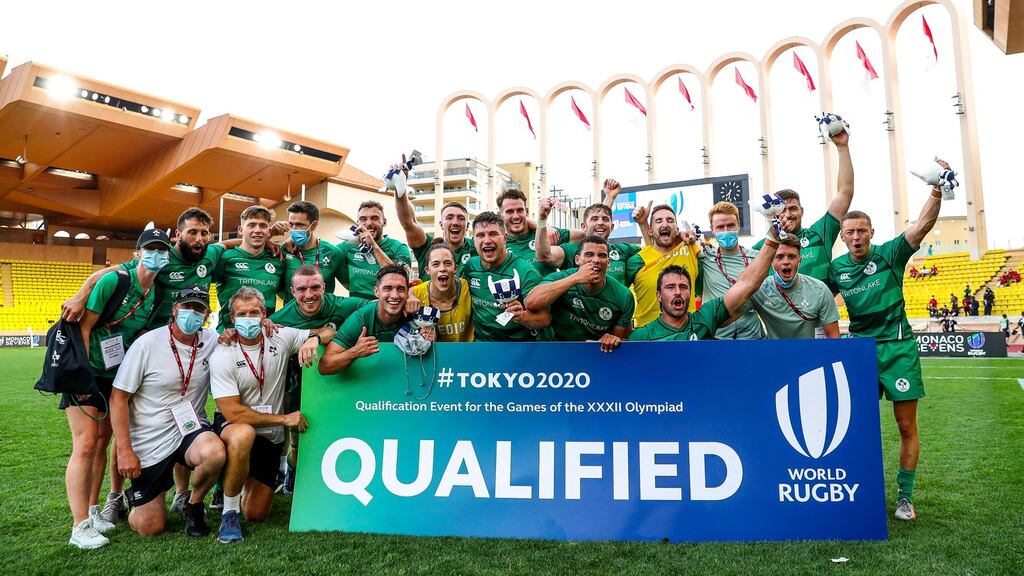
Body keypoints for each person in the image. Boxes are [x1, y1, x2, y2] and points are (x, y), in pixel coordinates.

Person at [826, 158, 950, 522]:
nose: (857, 236)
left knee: (906, 426)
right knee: (855, 427)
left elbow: (922, 226)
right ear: (844, 237)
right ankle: (855, 493)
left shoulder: (890, 255)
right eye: (850, 232)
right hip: (860, 352)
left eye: (862, 231)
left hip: (898, 348)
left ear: (871, 232)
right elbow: (815, 296)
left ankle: (905, 498)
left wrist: (937, 189)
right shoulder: (837, 269)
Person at [63, 228, 169, 549]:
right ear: (136, 253)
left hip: (114, 375)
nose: (155, 255)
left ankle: (94, 510)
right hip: (86, 372)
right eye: (149, 249)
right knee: (84, 444)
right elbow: (83, 328)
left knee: (102, 441)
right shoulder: (114, 281)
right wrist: (81, 376)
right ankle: (78, 526)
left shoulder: (155, 292)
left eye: (161, 250)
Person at [109, 285, 225, 538]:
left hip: (190, 429)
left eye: (199, 309)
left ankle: (192, 504)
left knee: (214, 452)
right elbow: (119, 397)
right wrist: (124, 450)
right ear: (175, 310)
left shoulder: (212, 341)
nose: (192, 313)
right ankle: (136, 501)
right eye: (187, 307)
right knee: (150, 527)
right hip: (150, 437)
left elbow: (239, 339)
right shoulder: (147, 344)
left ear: (206, 315)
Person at [209, 287, 318, 543]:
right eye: (242, 314)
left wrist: (314, 339)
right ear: (232, 318)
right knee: (243, 434)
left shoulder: (280, 336)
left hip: (269, 437)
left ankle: (239, 479)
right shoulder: (223, 352)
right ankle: (229, 511)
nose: (248, 318)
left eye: (254, 312)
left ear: (264, 314)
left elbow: (329, 331)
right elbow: (232, 412)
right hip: (235, 428)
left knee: (257, 514)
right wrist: (284, 419)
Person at [268, 265, 370, 492]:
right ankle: (292, 471)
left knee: (339, 431)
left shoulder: (343, 304)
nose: (309, 294)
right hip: (300, 382)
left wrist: (315, 337)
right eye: (302, 289)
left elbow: (377, 306)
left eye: (315, 287)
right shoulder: (279, 319)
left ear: (324, 287)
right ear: (292, 292)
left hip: (343, 377)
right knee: (301, 437)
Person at [628, 228, 780, 341]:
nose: (678, 292)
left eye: (683, 287)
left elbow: (747, 284)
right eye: (670, 287)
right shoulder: (643, 335)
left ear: (690, 292)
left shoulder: (705, 317)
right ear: (659, 296)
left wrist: (773, 238)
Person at [751, 123, 854, 281]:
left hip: (820, 306)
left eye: (793, 209)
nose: (787, 214)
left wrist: (842, 146)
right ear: (772, 214)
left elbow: (845, 193)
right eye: (781, 210)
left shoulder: (819, 234)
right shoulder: (761, 248)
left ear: (802, 211)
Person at [524, 236, 634, 352]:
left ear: (608, 263)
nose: (596, 260)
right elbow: (531, 303)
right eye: (589, 254)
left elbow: (621, 339)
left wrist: (611, 340)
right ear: (577, 260)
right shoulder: (562, 278)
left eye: (602, 255)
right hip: (556, 350)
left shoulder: (624, 296)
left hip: (596, 353)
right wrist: (575, 278)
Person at [462, 212, 549, 342]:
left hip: (518, 347)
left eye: (493, 234)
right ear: (474, 241)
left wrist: (522, 317)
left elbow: (545, 319)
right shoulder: (470, 266)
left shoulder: (525, 271)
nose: (487, 240)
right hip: (481, 346)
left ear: (505, 238)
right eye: (480, 235)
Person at [319, 265, 420, 373]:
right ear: (376, 292)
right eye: (387, 288)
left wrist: (431, 336)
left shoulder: (415, 314)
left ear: (407, 292)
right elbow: (324, 366)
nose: (395, 295)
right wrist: (354, 352)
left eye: (400, 289)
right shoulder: (361, 318)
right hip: (368, 383)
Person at [742, 236, 840, 339]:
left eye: (791, 256)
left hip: (810, 352)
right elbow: (732, 314)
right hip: (777, 353)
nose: (786, 262)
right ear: (771, 262)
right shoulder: (759, 289)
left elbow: (833, 337)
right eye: (779, 257)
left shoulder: (820, 290)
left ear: (800, 260)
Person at [535, 198, 643, 288]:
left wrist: (643, 223)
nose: (600, 222)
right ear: (583, 227)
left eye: (605, 219)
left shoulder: (624, 250)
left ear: (612, 226)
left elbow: (653, 252)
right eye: (594, 219)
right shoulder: (571, 250)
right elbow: (545, 255)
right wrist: (542, 220)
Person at [625, 204, 701, 327]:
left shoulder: (690, 250)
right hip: (649, 339)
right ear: (650, 230)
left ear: (677, 230)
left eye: (670, 220)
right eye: (658, 221)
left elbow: (704, 289)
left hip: (686, 336)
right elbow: (617, 296)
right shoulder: (637, 261)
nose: (665, 224)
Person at [697, 201, 764, 339]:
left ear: (738, 225)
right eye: (720, 227)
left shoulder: (755, 258)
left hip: (752, 338)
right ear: (712, 229)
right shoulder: (705, 257)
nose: (726, 231)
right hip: (716, 339)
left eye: (730, 225)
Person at [214, 206, 286, 330]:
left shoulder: (278, 260)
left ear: (269, 232)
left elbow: (288, 296)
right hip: (228, 336)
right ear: (241, 230)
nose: (257, 230)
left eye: (263, 226)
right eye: (252, 225)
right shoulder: (224, 258)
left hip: (265, 336)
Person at [335, 200, 412, 300]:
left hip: (388, 306)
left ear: (384, 222)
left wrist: (373, 245)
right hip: (357, 308)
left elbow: (399, 279)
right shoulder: (347, 247)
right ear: (357, 223)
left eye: (374, 218)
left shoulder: (399, 247)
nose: (368, 223)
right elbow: (329, 260)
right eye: (363, 219)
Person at [497, 188, 578, 276]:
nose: (516, 216)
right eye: (509, 212)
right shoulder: (497, 244)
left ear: (526, 212)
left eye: (520, 210)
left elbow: (582, 235)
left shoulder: (545, 233)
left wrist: (543, 225)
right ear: (500, 215)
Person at [280, 201, 345, 302]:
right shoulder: (283, 251)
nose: (293, 229)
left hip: (324, 315)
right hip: (292, 315)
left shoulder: (333, 252)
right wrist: (271, 233)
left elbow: (350, 285)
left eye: (299, 225)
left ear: (314, 225)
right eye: (291, 224)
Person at [411, 242, 475, 342]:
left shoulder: (467, 287)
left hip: (466, 353)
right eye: (436, 264)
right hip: (433, 356)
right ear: (427, 270)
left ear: (456, 268)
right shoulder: (416, 294)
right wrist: (409, 294)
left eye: (448, 263)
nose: (442, 269)